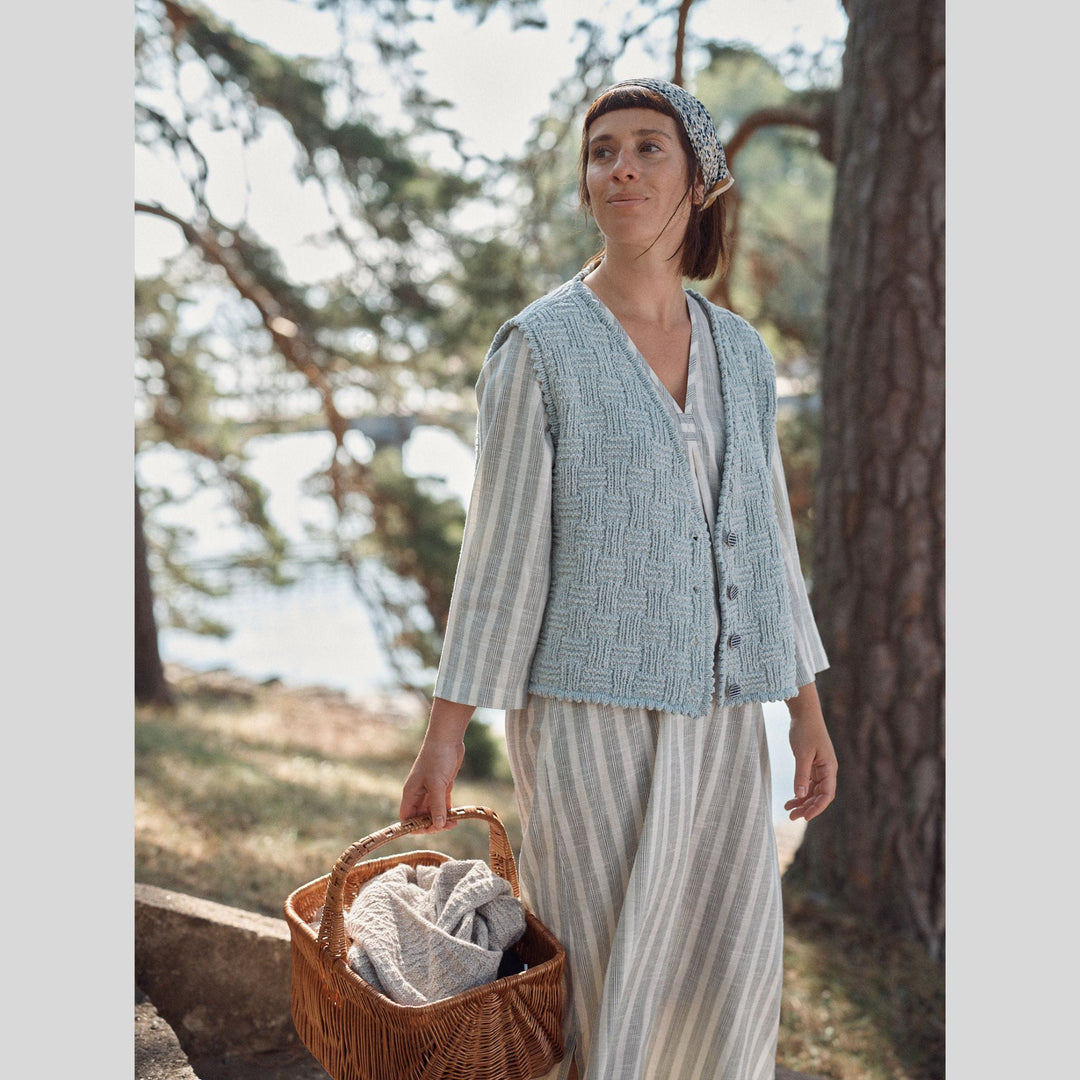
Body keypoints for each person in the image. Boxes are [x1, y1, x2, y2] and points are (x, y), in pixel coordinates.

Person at [399, 76, 837, 1080]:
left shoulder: (743, 352)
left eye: (648, 148)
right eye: (603, 152)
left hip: (727, 722)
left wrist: (806, 713)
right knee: (600, 978)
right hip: (586, 713)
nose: (621, 167)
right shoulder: (540, 349)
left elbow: (770, 543)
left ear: (700, 179)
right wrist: (445, 735)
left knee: (727, 970)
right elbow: (498, 554)